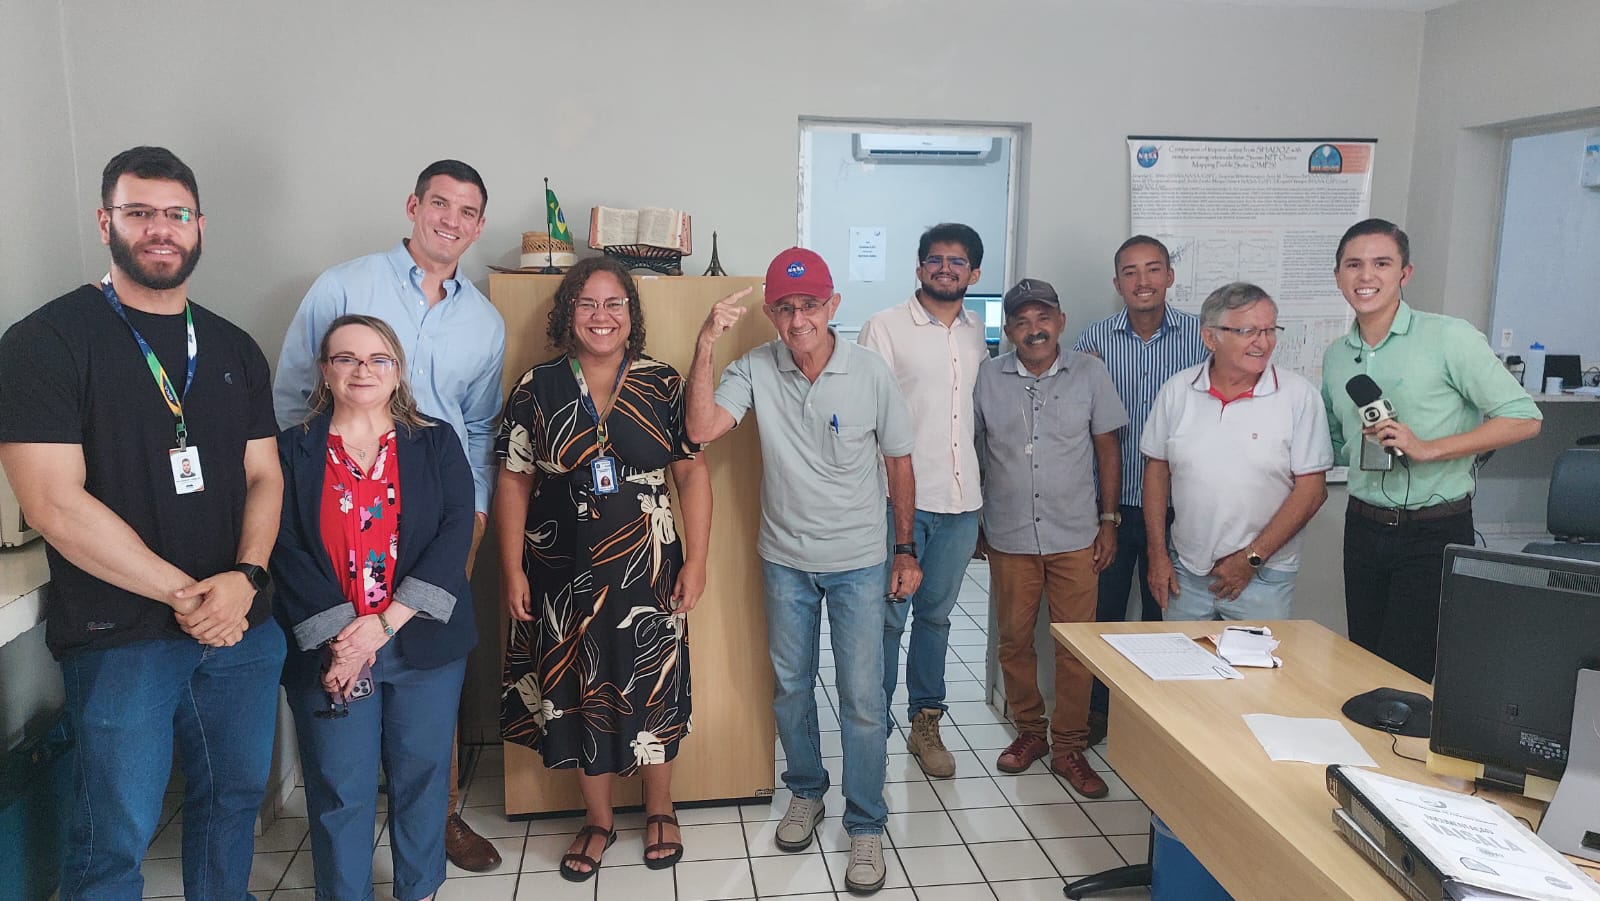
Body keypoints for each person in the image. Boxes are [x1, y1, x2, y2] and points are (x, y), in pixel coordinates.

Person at [0, 146, 286, 899]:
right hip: (120, 636)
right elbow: (52, 504)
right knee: (113, 835)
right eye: (139, 212)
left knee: (230, 804)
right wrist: (190, 594)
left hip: (241, 630)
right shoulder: (45, 343)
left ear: (199, 226)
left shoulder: (230, 346)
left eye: (176, 214)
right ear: (106, 222)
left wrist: (247, 579)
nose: (160, 229)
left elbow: (265, 473)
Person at [272, 159, 506, 870]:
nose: (451, 220)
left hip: (433, 527)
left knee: (424, 736)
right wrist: (308, 467)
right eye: (440, 203)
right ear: (414, 205)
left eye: (467, 211)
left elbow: (478, 429)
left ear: (478, 224)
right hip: (336, 528)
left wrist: (469, 527)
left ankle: (435, 831)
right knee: (341, 771)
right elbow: (291, 397)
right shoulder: (345, 285)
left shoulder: (484, 320)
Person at [685, 248, 919, 894]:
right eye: (785, 308)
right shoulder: (756, 368)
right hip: (785, 559)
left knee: (863, 700)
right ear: (771, 313)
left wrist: (906, 550)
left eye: (809, 305)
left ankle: (866, 823)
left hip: (861, 562)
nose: (798, 320)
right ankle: (807, 792)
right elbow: (701, 427)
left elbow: (900, 464)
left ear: (832, 306)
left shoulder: (870, 372)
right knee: (791, 687)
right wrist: (706, 342)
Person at [494, 257, 710, 881]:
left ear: (630, 315)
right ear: (568, 312)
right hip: (560, 568)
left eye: (615, 304)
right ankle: (598, 819)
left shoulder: (661, 383)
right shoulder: (538, 386)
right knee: (575, 688)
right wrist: (512, 569)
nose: (601, 316)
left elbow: (691, 472)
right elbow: (512, 480)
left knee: (650, 679)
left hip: (649, 567)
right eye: (588, 304)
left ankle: (661, 807)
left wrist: (696, 559)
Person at [273, 315, 477, 901]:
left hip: (422, 642)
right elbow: (282, 545)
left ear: (397, 371)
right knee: (340, 786)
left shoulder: (435, 441)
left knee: (423, 777)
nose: (363, 371)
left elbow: (454, 533)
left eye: (378, 359)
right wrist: (346, 637)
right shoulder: (291, 451)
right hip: (329, 649)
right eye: (346, 358)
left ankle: (419, 889)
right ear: (325, 371)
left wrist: (383, 625)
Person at [1321, 219, 1541, 681]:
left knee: (1407, 674)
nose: (1366, 277)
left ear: (1406, 273)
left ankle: (1404, 753)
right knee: (1363, 662)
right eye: (1353, 265)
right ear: (1338, 274)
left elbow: (1524, 418)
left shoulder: (1449, 337)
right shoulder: (1338, 355)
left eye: (1382, 263)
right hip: (1362, 527)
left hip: (1432, 531)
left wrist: (1429, 448)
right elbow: (1337, 447)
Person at [975, 278, 1126, 798]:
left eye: (1043, 319)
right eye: (1021, 321)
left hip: (1076, 534)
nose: (1033, 329)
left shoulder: (1090, 372)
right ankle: (1029, 733)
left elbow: (1108, 449)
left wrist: (1108, 521)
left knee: (1076, 648)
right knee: (1014, 642)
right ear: (1009, 329)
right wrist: (974, 521)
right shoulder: (988, 378)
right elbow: (973, 449)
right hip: (1010, 534)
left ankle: (1069, 746)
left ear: (1060, 322)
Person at [856, 222, 987, 778]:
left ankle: (925, 723)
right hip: (899, 502)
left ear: (974, 274)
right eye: (935, 259)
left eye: (958, 262)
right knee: (887, 619)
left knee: (936, 619)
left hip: (963, 504)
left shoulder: (978, 333)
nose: (945, 269)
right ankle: (873, 730)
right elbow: (867, 421)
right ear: (918, 267)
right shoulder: (884, 328)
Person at [1072, 235, 1207, 743]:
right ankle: (1098, 713)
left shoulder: (1203, 338)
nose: (1143, 281)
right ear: (1116, 284)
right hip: (1108, 505)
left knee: (1165, 616)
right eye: (1130, 272)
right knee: (1103, 615)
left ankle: (1156, 719)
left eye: (1153, 270)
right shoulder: (1095, 341)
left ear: (1170, 276)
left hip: (1181, 507)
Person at [1142, 283, 1332, 621]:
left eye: (1270, 330)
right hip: (1185, 572)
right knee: (1180, 673)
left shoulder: (1298, 397)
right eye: (1248, 331)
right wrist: (1157, 555)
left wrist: (1250, 560)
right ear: (1210, 337)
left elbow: (1312, 492)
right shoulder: (1177, 391)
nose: (1263, 342)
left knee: (1257, 674)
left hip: (1265, 576)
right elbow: (1156, 472)